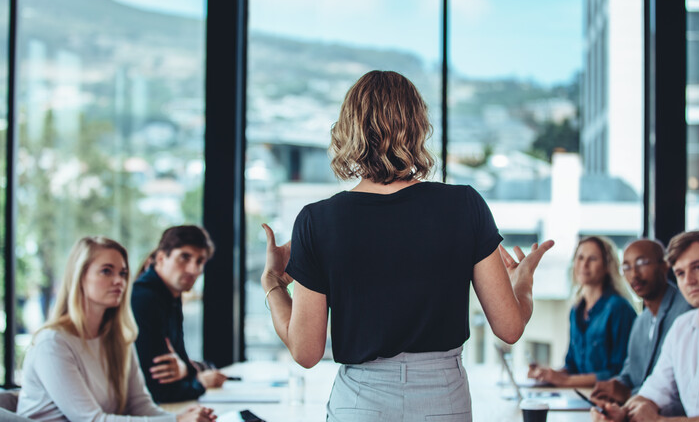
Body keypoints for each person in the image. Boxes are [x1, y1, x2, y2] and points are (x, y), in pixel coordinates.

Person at [260, 70, 554, 421]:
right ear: (417, 126)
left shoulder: (317, 220)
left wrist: (273, 283)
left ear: (348, 129)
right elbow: (509, 328)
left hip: (360, 403)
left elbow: (306, 351)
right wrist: (523, 280)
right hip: (443, 399)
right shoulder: (465, 205)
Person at [16, 236, 215, 422]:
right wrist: (176, 421)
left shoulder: (119, 338)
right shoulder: (53, 342)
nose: (119, 281)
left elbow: (141, 406)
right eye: (106, 271)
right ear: (80, 276)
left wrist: (184, 417)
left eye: (123, 273)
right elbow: (92, 420)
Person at [592, 230, 699, 421]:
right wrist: (623, 413)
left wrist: (662, 421)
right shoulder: (682, 326)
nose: (689, 280)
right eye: (680, 273)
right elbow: (654, 390)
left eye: (698, 267)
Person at [590, 239, 691, 409]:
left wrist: (630, 395)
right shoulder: (641, 321)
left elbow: (683, 390)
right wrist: (614, 387)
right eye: (627, 267)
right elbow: (629, 374)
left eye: (642, 263)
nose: (634, 274)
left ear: (665, 265)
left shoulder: (686, 312)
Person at [132, 225, 227, 403]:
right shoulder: (144, 299)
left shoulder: (170, 296)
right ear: (161, 258)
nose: (193, 270)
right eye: (184, 257)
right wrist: (200, 382)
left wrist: (186, 369)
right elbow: (159, 388)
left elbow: (181, 361)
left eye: (200, 261)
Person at [529, 236, 637, 388]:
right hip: (578, 395)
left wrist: (566, 381)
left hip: (606, 400)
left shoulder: (619, 308)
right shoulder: (576, 310)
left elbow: (619, 372)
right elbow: (571, 366)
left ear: (607, 266)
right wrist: (548, 374)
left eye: (592, 259)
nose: (584, 265)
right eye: (580, 258)